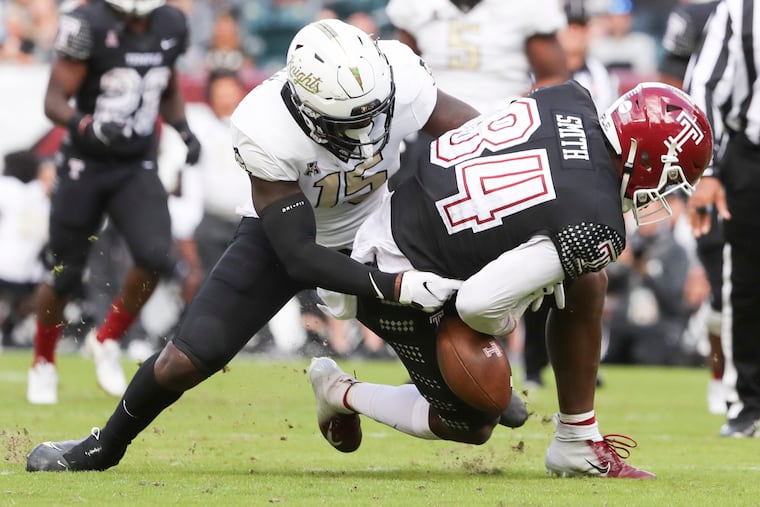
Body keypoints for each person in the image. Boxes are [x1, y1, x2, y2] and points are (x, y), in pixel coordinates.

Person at [24, 18, 483, 472]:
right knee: (181, 362)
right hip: (295, 238)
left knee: (475, 416)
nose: (365, 135)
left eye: (372, 114)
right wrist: (400, 286)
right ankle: (106, 445)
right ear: (306, 109)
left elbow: (478, 140)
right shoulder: (264, 122)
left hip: (384, 226)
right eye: (349, 122)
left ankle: (341, 394)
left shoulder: (397, 73)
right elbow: (299, 256)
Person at [308, 80, 713, 478]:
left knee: (587, 281)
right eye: (670, 178)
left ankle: (577, 440)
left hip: (396, 215)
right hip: (393, 278)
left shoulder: (568, 97)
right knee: (476, 415)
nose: (667, 192)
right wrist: (509, 317)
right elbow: (477, 306)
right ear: (645, 159)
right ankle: (339, 391)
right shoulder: (596, 222)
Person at [26, 0, 202, 405]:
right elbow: (53, 101)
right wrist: (84, 124)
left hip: (136, 164)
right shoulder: (87, 22)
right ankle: (43, 360)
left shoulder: (170, 22)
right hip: (84, 165)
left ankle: (106, 339)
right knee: (65, 271)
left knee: (156, 256)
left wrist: (183, 129)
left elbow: (167, 85)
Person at [685, 0, 760, 437]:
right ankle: (749, 402)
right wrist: (706, 170)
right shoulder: (742, 8)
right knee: (746, 285)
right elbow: (704, 84)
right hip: (751, 157)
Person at [658, 0, 727, 414]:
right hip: (716, 160)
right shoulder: (701, 16)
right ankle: (721, 374)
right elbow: (668, 92)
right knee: (723, 286)